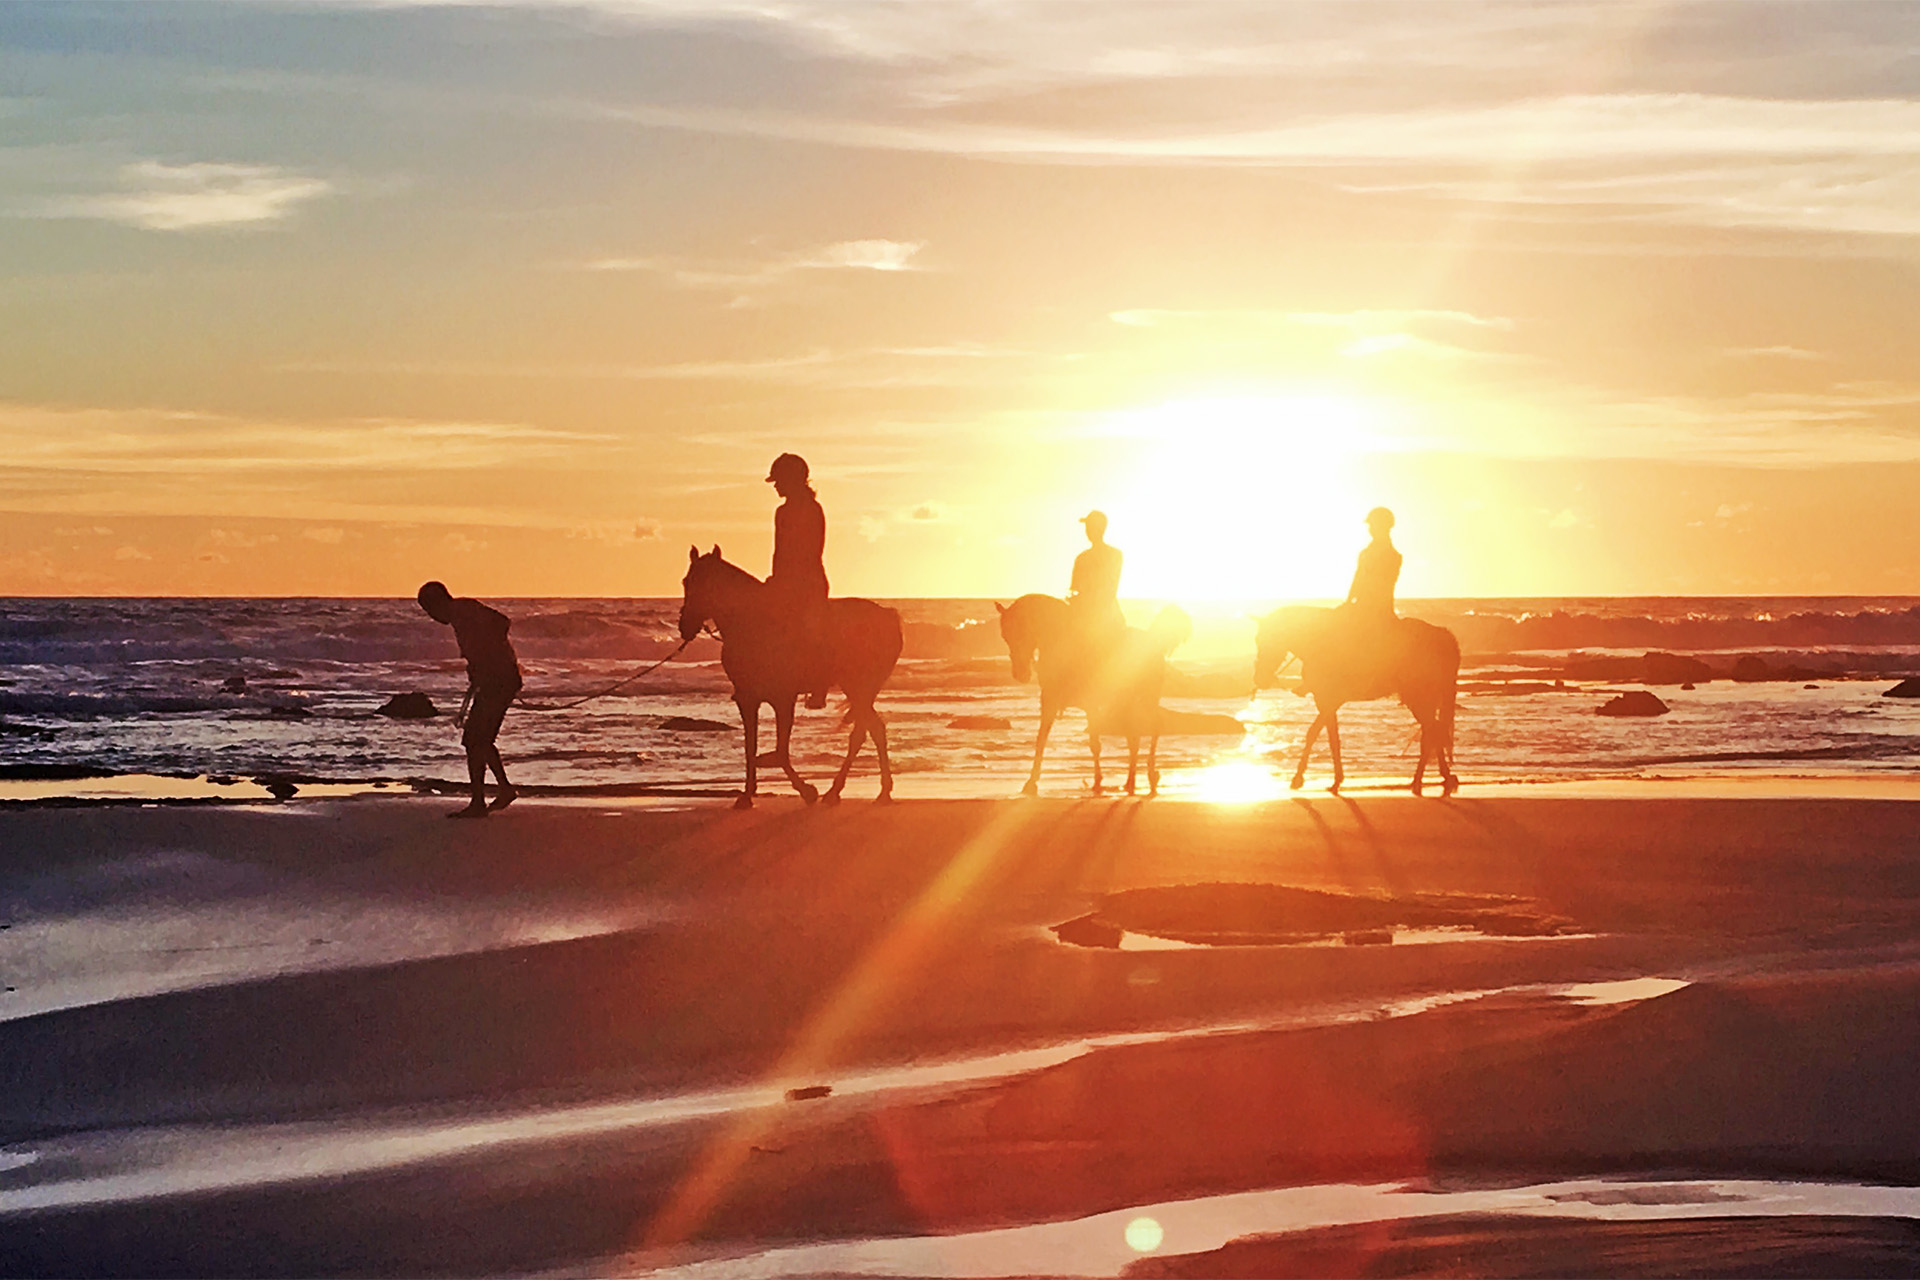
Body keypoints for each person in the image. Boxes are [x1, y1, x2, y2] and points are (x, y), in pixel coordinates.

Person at [417, 581, 521, 818]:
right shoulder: (458, 616)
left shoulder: (464, 610)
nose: (432, 617)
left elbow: (502, 622)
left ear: (437, 603)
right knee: (478, 739)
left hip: (500, 680)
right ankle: (502, 790)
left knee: (475, 739)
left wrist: (489, 658)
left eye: (429, 611)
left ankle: (481, 801)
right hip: (495, 680)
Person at [766, 452, 832, 709]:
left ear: (792, 480)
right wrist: (775, 581)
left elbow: (812, 551)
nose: (776, 487)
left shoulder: (812, 510)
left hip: (809, 583)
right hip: (783, 581)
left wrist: (792, 581)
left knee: (812, 629)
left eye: (778, 481)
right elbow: (778, 550)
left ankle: (819, 684)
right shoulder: (781, 512)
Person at [1069, 510, 1126, 651]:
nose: (1087, 532)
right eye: (1087, 528)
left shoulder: (1085, 558)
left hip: (1102, 615)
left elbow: (1109, 589)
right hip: (1095, 612)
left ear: (1099, 529)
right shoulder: (1113, 555)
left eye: (1089, 527)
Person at [1347, 506, 1402, 621]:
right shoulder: (1365, 553)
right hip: (1361, 608)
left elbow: (1377, 587)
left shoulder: (1391, 556)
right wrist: (1348, 604)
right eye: (1370, 525)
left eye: (1373, 525)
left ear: (1384, 526)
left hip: (1376, 613)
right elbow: (1357, 582)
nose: (1370, 529)